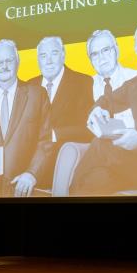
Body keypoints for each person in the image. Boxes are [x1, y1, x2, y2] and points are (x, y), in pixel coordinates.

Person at [70, 22, 137, 195]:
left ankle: (65, 193)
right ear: (136, 49)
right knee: (97, 179)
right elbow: (108, 99)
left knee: (101, 145)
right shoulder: (136, 83)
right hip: (134, 163)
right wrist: (97, 108)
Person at [0, 39, 52, 197]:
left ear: (17, 62)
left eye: (9, 60)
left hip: (22, 190)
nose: (4, 66)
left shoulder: (37, 95)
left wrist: (32, 173)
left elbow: (45, 141)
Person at [28, 36, 94, 186]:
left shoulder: (83, 82)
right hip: (27, 163)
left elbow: (89, 128)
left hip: (60, 164)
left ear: (63, 54)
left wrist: (54, 134)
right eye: (43, 56)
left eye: (54, 53)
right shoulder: (29, 86)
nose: (48, 60)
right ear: (38, 59)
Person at [88, 29, 137, 102]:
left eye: (106, 50)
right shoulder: (86, 88)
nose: (101, 57)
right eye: (95, 54)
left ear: (117, 51)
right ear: (90, 60)